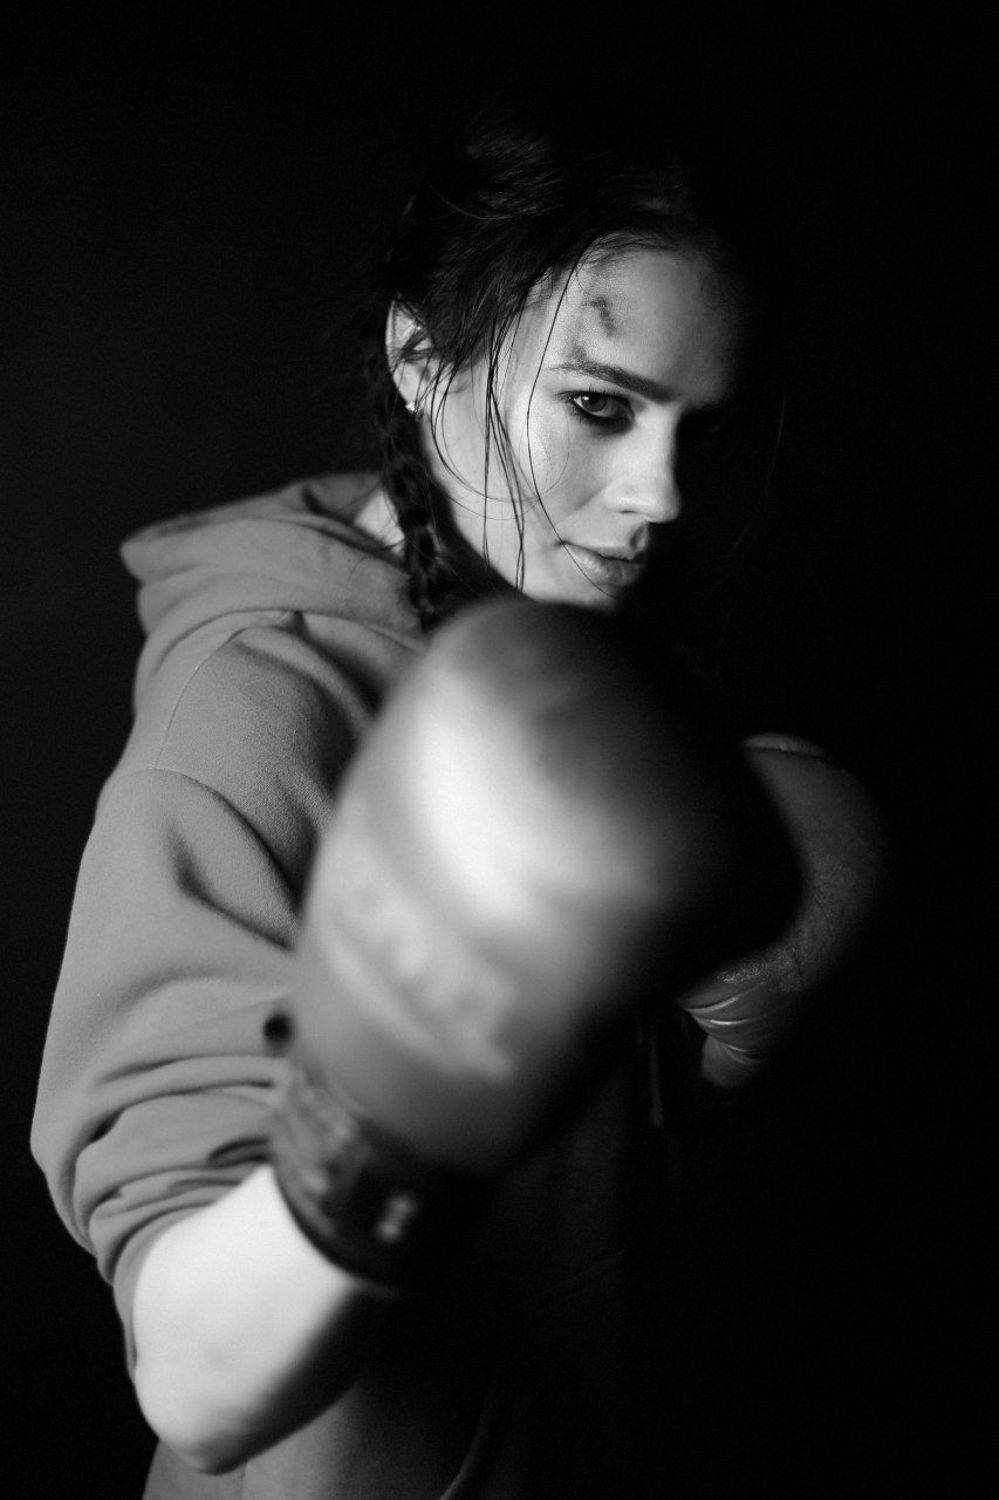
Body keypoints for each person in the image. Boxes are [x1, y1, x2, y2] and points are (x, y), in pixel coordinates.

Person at [31, 81, 884, 1498]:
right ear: (423, 359)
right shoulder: (251, 717)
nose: (663, 494)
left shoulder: (582, 662)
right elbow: (187, 1369)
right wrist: (394, 1102)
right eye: (600, 406)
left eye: (701, 428)